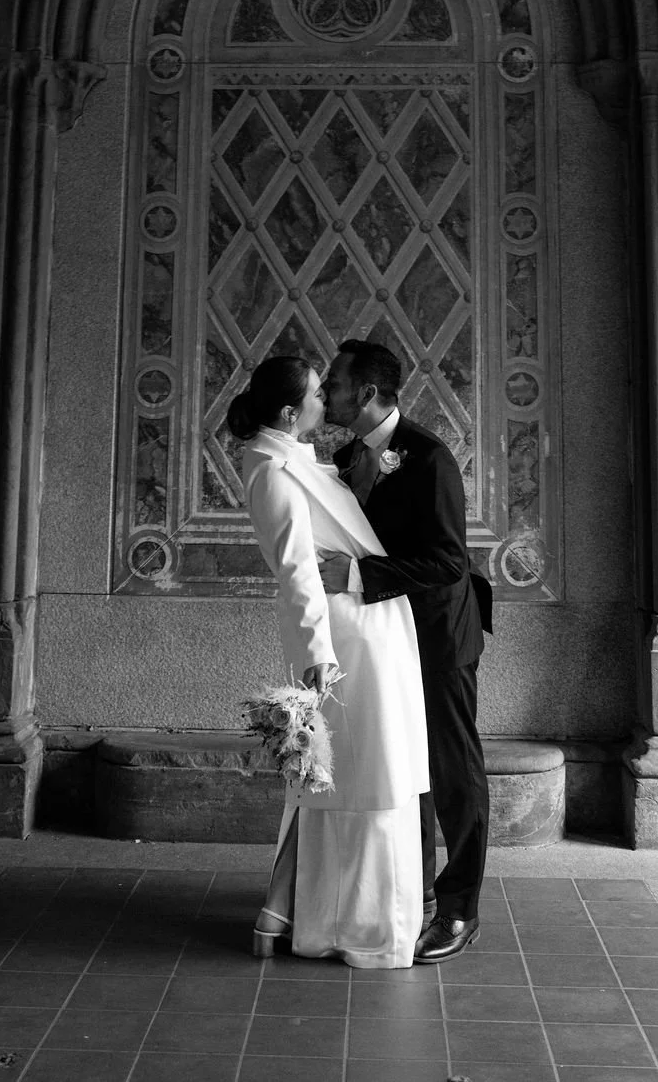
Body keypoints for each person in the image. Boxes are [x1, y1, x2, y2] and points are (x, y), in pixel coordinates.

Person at [227, 354, 429, 969]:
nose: (327, 400)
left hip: (370, 625)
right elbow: (295, 569)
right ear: (292, 412)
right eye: (319, 393)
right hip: (345, 640)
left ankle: (308, 913)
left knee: (370, 772)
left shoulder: (295, 459)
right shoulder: (273, 470)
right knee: (362, 776)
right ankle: (357, 925)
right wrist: (317, 656)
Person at [321, 339, 491, 964]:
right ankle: (410, 893)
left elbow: (449, 561)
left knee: (452, 773)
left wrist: (360, 578)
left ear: (365, 394)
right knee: (402, 768)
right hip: (382, 639)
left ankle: (459, 911)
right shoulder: (345, 457)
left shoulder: (428, 458)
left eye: (334, 383)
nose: (324, 393)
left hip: (439, 635)